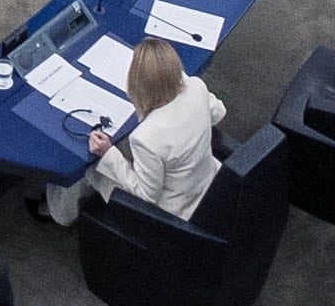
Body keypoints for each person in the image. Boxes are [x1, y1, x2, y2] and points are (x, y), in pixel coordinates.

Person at [46, 37, 222, 226]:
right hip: (204, 182)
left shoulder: (147, 137)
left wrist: (107, 154)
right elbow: (218, 113)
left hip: (173, 211)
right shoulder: (197, 86)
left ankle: (58, 212)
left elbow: (147, 196)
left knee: (90, 170)